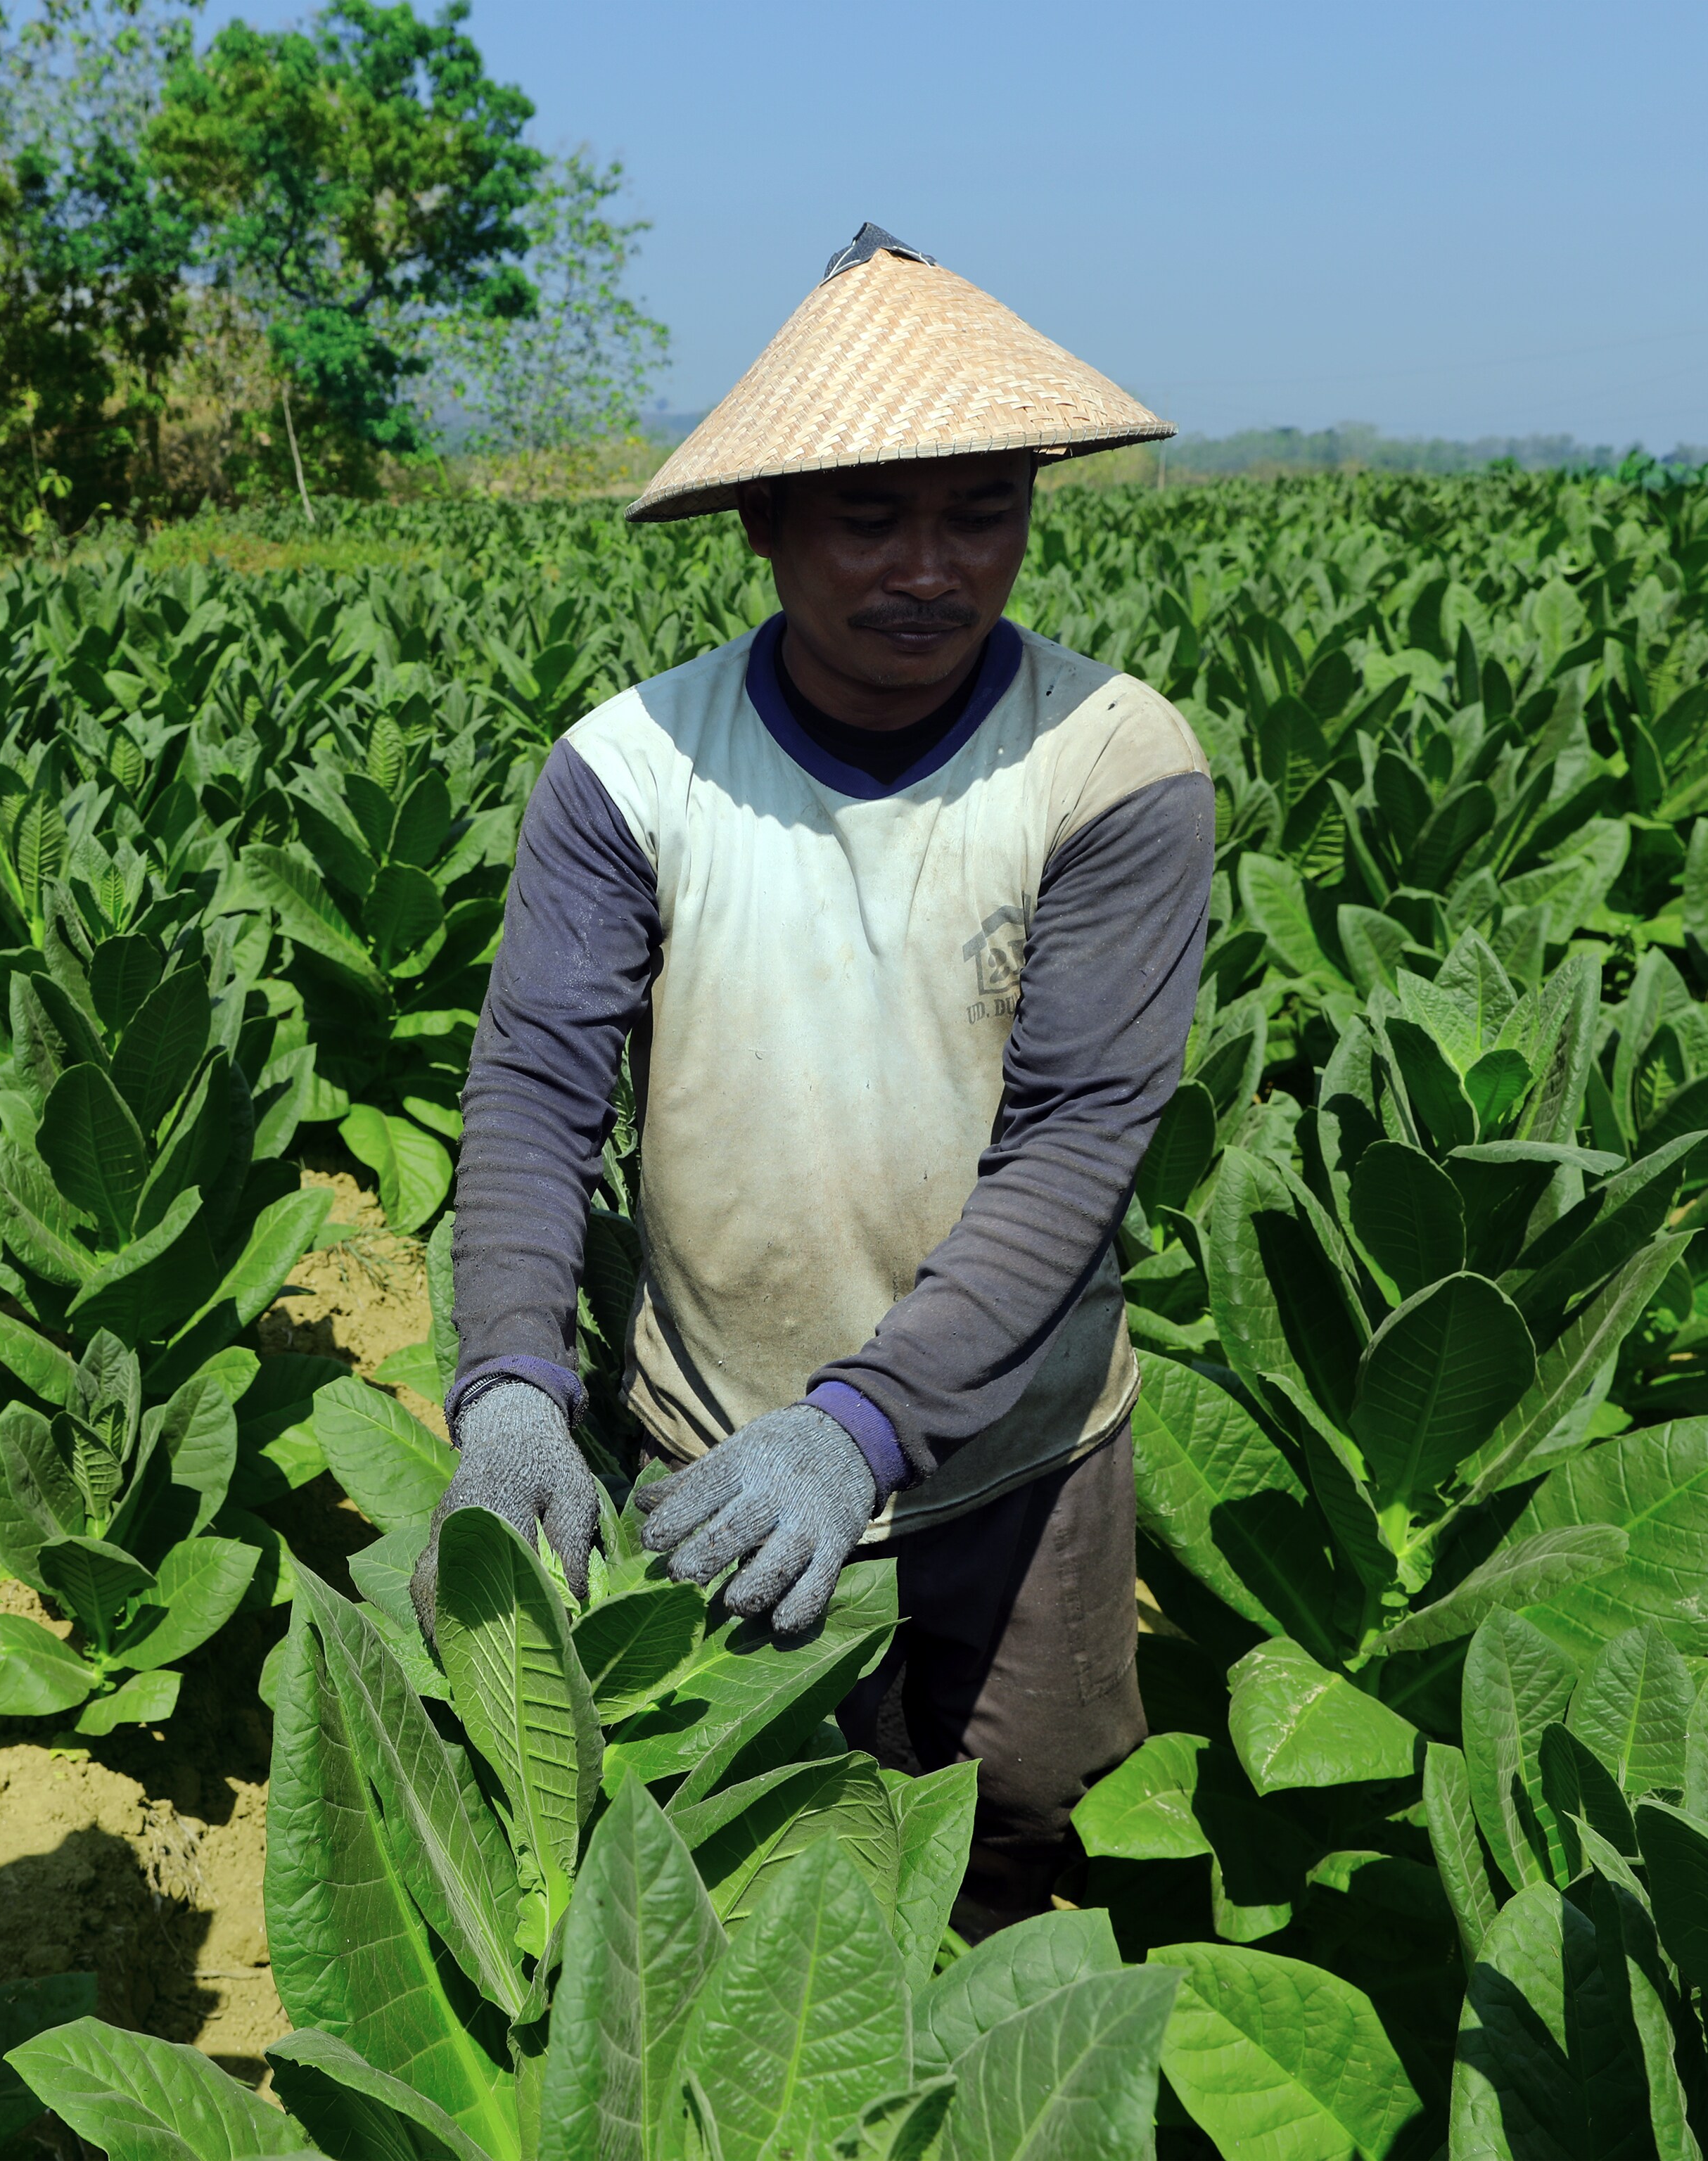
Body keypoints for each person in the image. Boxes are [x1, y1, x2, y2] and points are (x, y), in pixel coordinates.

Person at [414, 225, 1215, 1940]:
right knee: (754, 1886)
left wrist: (857, 1427)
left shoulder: (1110, 760)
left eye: (982, 508)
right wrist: (506, 1387)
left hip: (1017, 1450)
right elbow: (540, 1089)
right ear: (763, 521)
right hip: (708, 1449)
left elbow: (1080, 1142)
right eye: (869, 515)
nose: (932, 565)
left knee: (1021, 1852)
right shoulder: (628, 769)